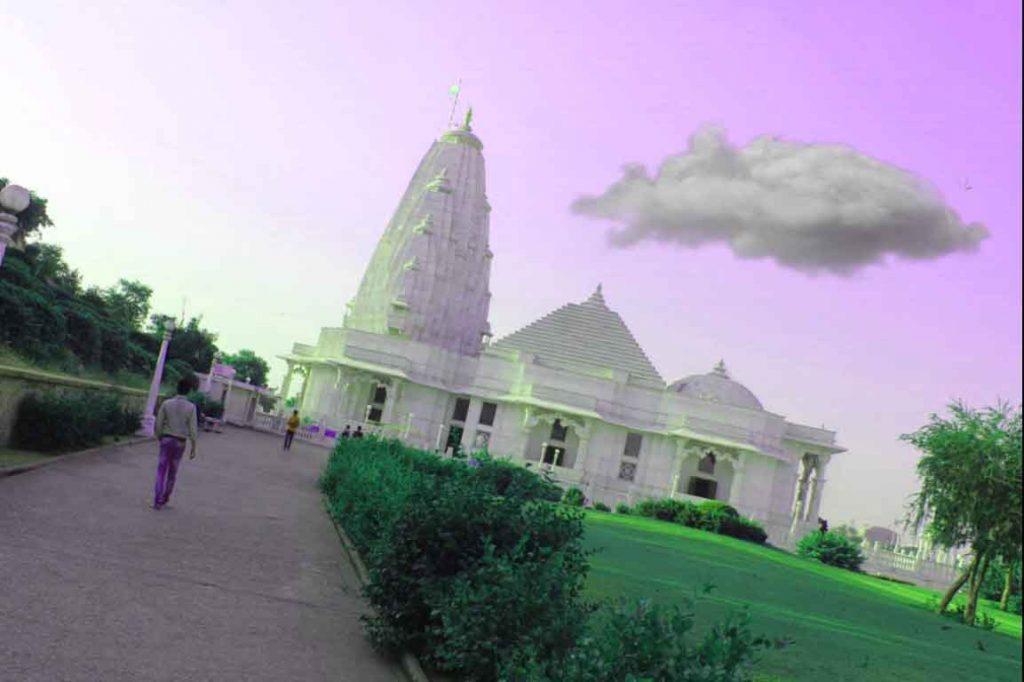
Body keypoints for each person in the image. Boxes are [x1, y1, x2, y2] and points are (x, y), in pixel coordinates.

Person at [153, 376, 199, 509]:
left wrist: (159, 436)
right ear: (189, 391)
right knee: (173, 472)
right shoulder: (191, 407)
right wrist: (193, 447)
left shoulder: (167, 404)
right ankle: (165, 498)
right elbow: (193, 429)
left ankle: (157, 500)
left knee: (161, 470)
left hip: (166, 439)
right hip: (180, 442)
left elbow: (159, 423)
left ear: (177, 389)